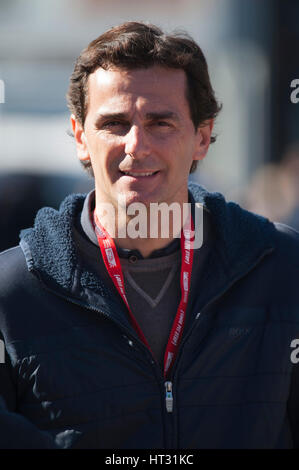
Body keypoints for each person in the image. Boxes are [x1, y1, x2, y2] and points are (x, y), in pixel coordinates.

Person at [0, 21, 299, 450]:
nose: (136, 145)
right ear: (81, 137)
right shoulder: (12, 292)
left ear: (202, 137)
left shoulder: (283, 268)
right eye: (115, 123)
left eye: (160, 123)